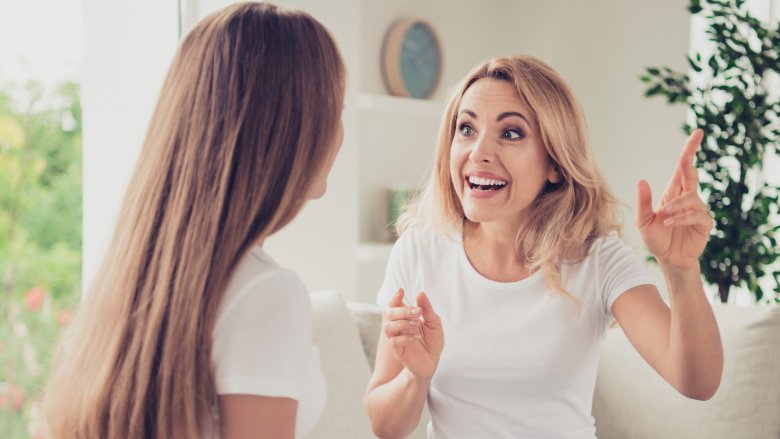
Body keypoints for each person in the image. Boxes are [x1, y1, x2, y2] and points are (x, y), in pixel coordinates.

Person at [364, 55, 724, 439]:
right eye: (466, 129)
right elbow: (385, 427)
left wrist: (681, 269)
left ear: (555, 163)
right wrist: (416, 378)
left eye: (511, 133)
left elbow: (697, 383)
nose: (479, 152)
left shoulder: (596, 258)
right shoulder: (420, 251)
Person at [43, 3, 345, 438]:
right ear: (293, 130)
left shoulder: (133, 278)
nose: (339, 132)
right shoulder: (266, 293)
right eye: (335, 109)